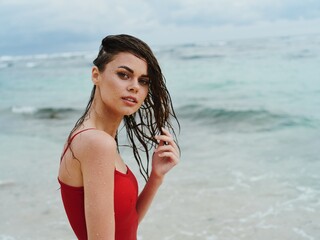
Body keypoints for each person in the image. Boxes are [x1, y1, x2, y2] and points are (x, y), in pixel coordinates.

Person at [57, 34, 180, 240]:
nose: (135, 86)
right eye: (124, 75)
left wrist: (156, 177)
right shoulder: (97, 143)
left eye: (143, 81)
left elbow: (125, 227)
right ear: (96, 75)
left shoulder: (92, 138)